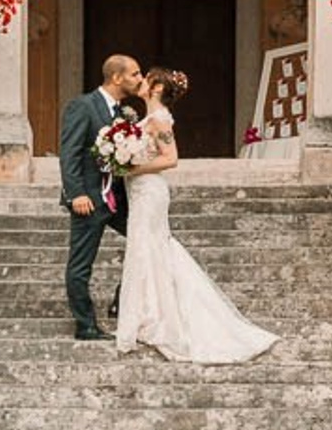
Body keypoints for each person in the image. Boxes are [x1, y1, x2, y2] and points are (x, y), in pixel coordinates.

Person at [116, 67, 278, 363]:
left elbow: (171, 158)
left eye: (146, 78)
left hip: (149, 191)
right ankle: (147, 312)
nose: (140, 81)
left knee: (150, 247)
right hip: (140, 191)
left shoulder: (160, 118)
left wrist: (130, 169)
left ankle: (158, 318)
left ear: (155, 89)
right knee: (144, 249)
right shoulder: (151, 117)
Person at [59, 52, 143, 340]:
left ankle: (123, 300)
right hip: (90, 199)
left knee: (149, 239)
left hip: (117, 199)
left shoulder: (123, 113)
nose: (139, 79)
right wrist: (76, 194)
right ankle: (86, 324)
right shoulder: (83, 106)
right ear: (117, 77)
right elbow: (69, 153)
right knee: (81, 264)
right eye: (135, 74)